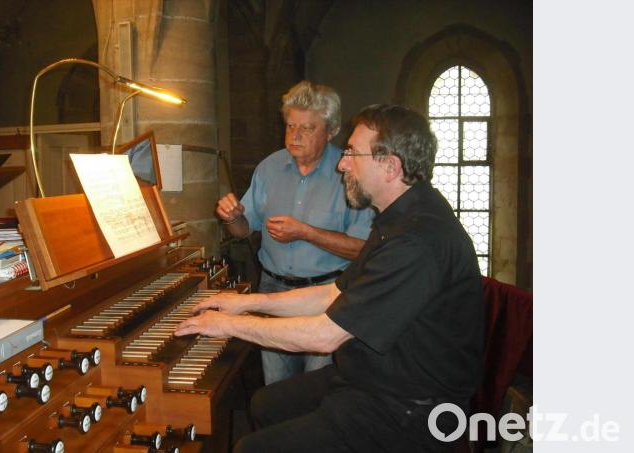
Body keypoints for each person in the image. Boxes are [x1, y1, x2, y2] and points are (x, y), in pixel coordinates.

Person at [177, 104, 485, 452]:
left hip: (410, 408)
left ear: (391, 166)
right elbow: (333, 293)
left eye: (353, 152)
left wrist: (230, 325)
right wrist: (247, 302)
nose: (342, 163)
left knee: (250, 449)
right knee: (265, 404)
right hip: (373, 378)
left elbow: (325, 336)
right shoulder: (397, 218)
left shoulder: (417, 241)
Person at [216, 80, 374, 384]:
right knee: (276, 391)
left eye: (307, 128)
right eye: (290, 126)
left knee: (315, 393)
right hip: (273, 290)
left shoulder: (350, 172)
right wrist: (231, 217)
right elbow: (243, 230)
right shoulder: (269, 168)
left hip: (327, 296)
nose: (295, 136)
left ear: (330, 132)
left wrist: (306, 232)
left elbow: (362, 250)